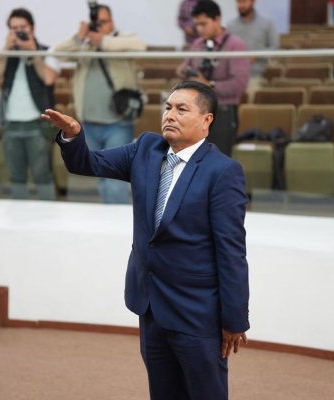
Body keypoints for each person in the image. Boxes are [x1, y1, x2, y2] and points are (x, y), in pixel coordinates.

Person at [43, 80, 250, 400]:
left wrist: (234, 320)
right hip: (150, 307)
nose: (170, 115)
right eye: (168, 107)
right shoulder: (146, 149)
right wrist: (73, 135)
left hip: (197, 314)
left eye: (182, 109)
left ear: (206, 119)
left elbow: (231, 252)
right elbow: (88, 162)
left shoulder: (223, 171)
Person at [45, 4, 146, 204]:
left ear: (112, 23)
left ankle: (118, 219)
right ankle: (106, 219)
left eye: (104, 22)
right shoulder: (85, 44)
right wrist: (79, 37)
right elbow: (57, 53)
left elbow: (140, 46)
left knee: (116, 180)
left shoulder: (122, 39)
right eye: (96, 23)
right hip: (89, 123)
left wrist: (103, 41)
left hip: (118, 123)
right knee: (99, 176)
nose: (99, 26)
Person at [0, 8, 56, 201]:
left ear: (32, 28)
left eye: (22, 27)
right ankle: (18, 216)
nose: (18, 31)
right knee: (16, 177)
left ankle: (49, 214)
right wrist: (6, 47)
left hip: (38, 123)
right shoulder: (7, 53)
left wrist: (32, 51)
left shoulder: (46, 51)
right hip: (10, 123)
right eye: (14, 28)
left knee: (42, 175)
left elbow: (48, 78)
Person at [176, 0, 250, 157]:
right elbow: (186, 66)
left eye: (203, 24)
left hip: (222, 114)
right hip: (195, 113)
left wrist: (209, 85)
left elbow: (239, 85)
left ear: (217, 19)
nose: (199, 29)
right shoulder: (197, 44)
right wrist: (182, 71)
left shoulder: (235, 45)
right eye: (197, 25)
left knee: (218, 161)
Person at [227, 0, 279, 99]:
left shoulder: (267, 23)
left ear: (253, 2)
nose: (241, 5)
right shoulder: (231, 25)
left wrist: (257, 56)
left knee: (251, 105)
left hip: (255, 75)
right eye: (238, 2)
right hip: (233, 76)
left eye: (244, 1)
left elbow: (274, 47)